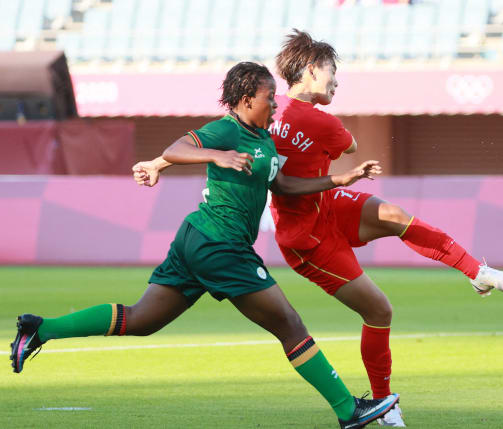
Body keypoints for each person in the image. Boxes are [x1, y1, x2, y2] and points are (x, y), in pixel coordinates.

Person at [9, 61, 399, 429]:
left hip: (198, 241)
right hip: (221, 244)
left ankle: (39, 330)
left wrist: (340, 179)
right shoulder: (226, 130)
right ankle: (348, 410)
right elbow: (176, 149)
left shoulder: (262, 138)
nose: (275, 103)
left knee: (142, 319)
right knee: (289, 324)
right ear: (247, 100)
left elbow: (282, 185)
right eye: (269, 97)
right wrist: (217, 155)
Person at [268, 30, 503, 427]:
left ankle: (479, 272)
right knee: (380, 310)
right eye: (332, 72)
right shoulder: (323, 122)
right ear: (312, 68)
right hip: (307, 239)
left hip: (325, 206)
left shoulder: (272, 113)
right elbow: (349, 146)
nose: (336, 80)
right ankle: (384, 405)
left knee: (394, 215)